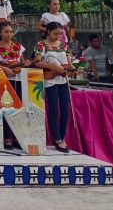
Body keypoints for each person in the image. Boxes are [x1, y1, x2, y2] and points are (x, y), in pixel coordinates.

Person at [0, 21, 29, 149]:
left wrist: (25, 64)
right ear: (0, 33)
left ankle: (17, 137)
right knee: (6, 108)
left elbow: (22, 62)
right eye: (6, 31)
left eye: (11, 31)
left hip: (18, 79)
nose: (9, 34)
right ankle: (6, 137)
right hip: (3, 80)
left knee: (17, 107)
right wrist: (4, 69)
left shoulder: (18, 46)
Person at [34, 22, 73, 153]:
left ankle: (62, 137)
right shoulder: (41, 44)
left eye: (60, 34)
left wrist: (69, 68)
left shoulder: (63, 45)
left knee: (65, 109)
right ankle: (57, 138)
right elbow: (37, 62)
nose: (58, 36)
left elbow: (69, 63)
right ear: (48, 31)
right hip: (50, 80)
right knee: (54, 109)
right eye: (55, 33)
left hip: (62, 79)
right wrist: (52, 67)